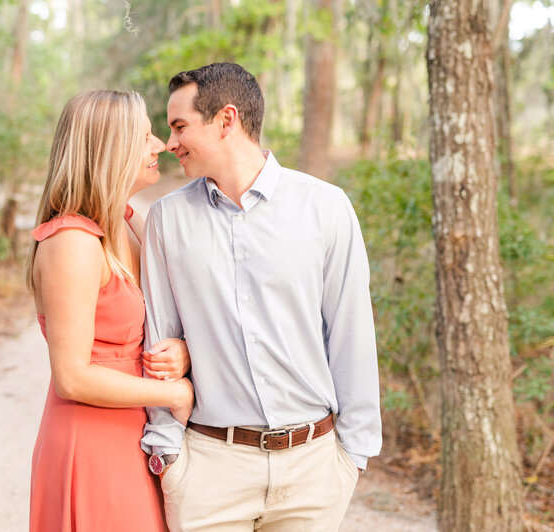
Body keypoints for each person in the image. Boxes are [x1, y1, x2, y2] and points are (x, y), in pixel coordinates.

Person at [140, 62, 382, 531]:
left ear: (226, 120)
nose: (170, 144)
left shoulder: (325, 208)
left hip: (314, 472)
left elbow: (351, 332)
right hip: (210, 472)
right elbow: (160, 341)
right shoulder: (167, 221)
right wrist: (168, 455)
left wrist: (353, 455)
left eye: (179, 126)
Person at [27, 89, 194, 532]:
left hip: (132, 434)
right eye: (144, 137)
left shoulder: (124, 221)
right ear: (109, 149)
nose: (160, 144)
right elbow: (72, 376)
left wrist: (181, 348)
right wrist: (174, 394)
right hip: (92, 437)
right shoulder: (73, 243)